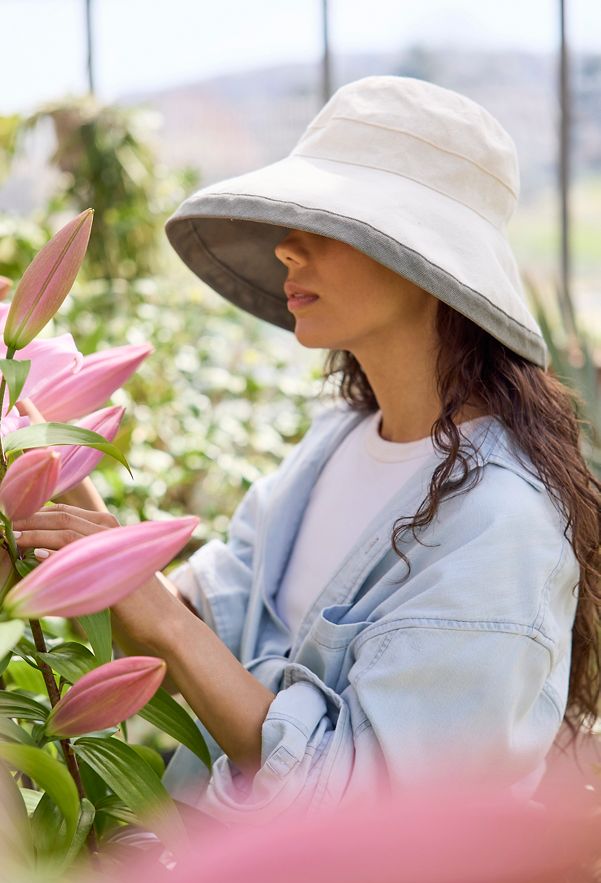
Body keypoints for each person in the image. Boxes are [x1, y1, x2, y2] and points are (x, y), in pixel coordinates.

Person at [13, 76, 601, 827]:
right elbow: (205, 620)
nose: (286, 246)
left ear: (426, 263)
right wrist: (46, 457)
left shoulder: (500, 525)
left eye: (329, 222)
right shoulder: (341, 440)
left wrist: (164, 619)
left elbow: (368, 813)